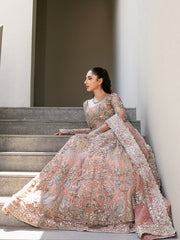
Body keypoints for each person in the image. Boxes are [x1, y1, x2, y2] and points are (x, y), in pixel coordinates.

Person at [2, 67, 176, 239]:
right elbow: (91, 129)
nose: (85, 82)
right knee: (76, 141)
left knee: (84, 145)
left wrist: (97, 132)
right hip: (97, 137)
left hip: (116, 137)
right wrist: (70, 131)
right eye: (86, 78)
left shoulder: (112, 97)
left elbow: (121, 116)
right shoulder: (86, 104)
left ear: (100, 80)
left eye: (89, 78)